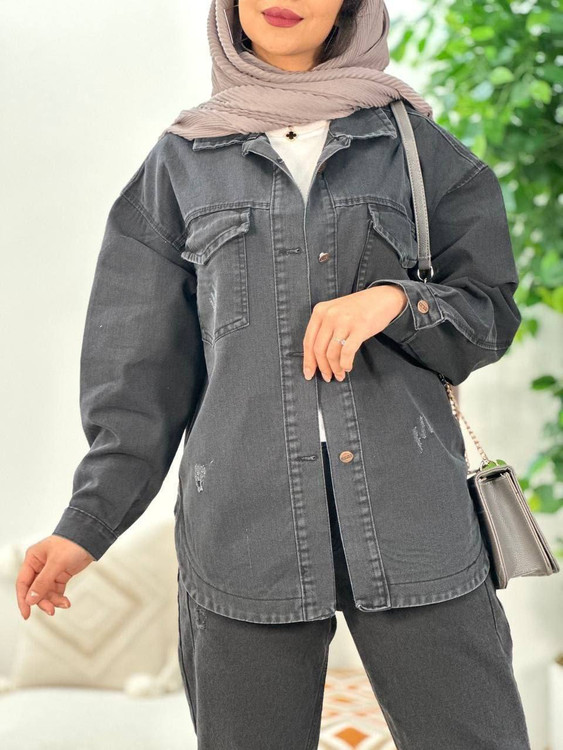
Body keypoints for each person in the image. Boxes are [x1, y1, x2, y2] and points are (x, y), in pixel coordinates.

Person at [16, 1, 533, 747]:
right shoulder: (180, 165)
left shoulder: (418, 151)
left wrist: (395, 301)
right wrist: (87, 525)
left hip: (417, 524)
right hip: (241, 537)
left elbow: (487, 318)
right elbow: (138, 384)